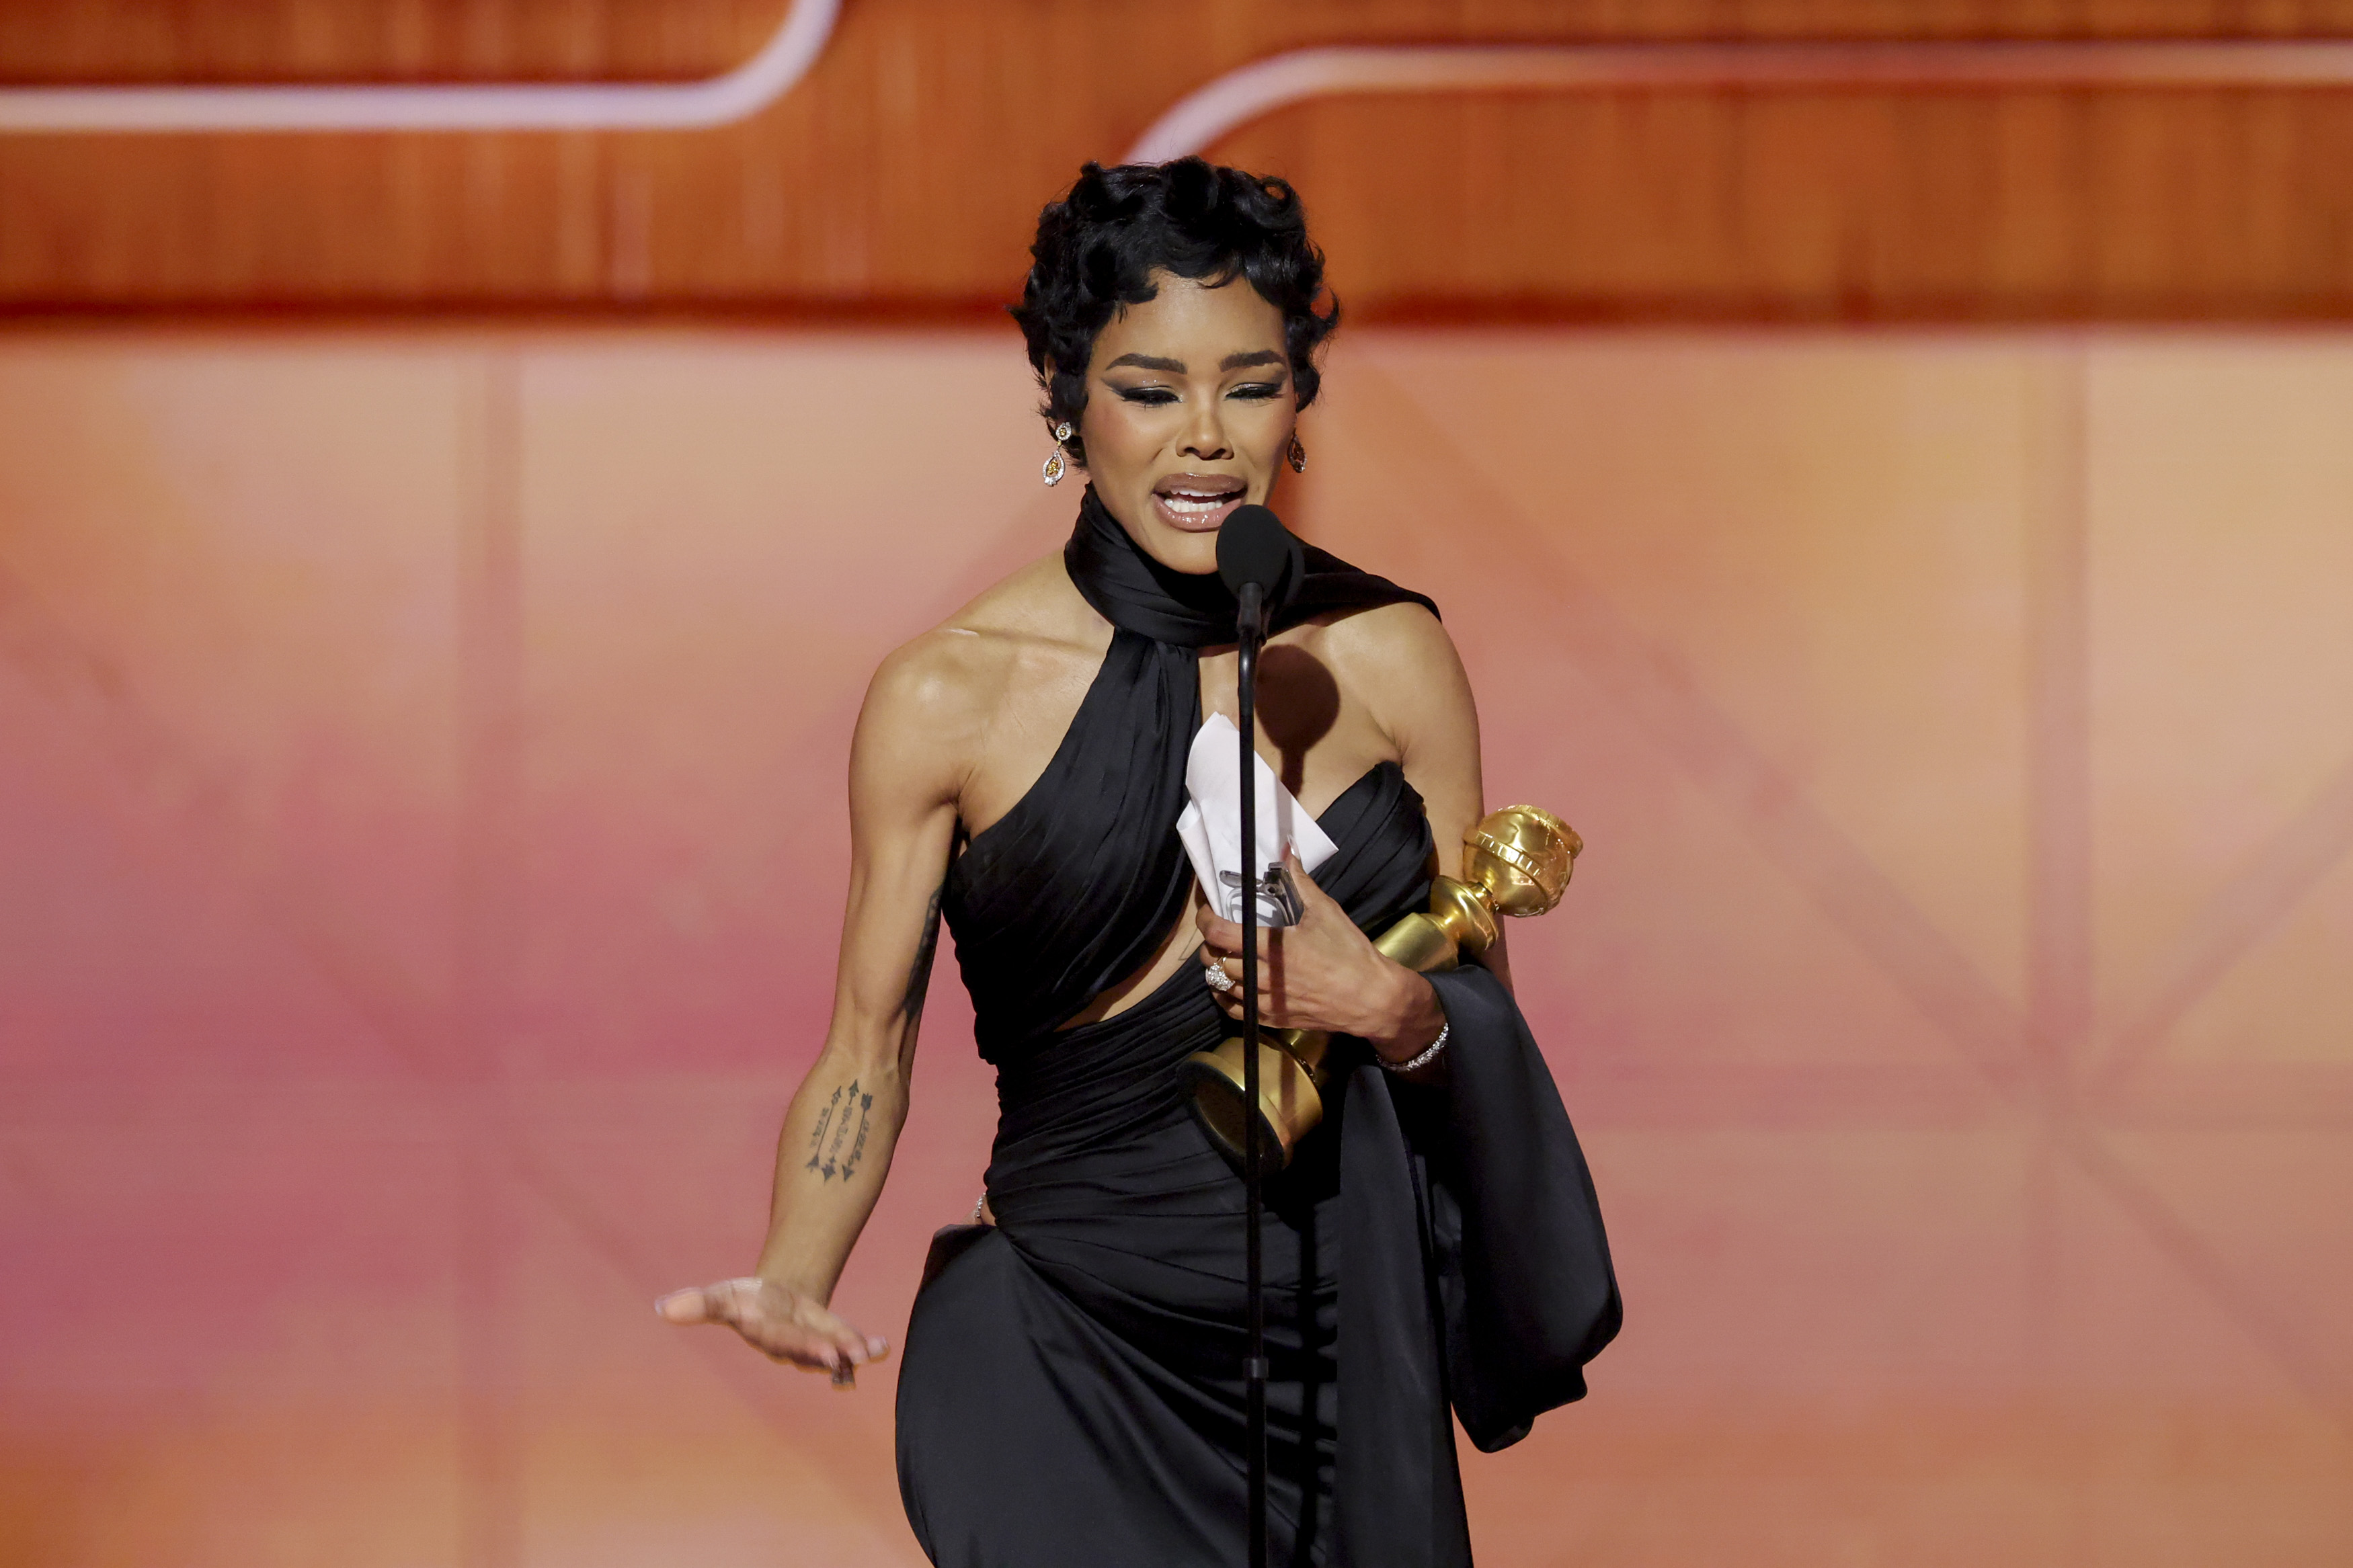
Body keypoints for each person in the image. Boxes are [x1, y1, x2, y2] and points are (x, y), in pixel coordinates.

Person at [660, 157, 1618, 1567]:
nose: (1205, 438)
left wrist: (1389, 1010)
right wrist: (795, 1275)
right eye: (1149, 389)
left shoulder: (1393, 658)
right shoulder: (947, 695)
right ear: (1064, 399)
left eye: (1248, 383)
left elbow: (1478, 1045)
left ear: (1299, 399)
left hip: (1341, 1367)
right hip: (1064, 1350)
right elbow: (867, 1044)